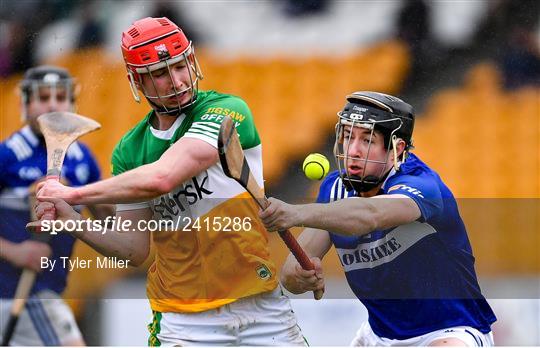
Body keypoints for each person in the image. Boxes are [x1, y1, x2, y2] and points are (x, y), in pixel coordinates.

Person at [35, 17, 306, 346]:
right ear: (138, 81)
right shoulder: (130, 150)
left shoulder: (225, 110)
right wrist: (71, 221)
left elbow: (164, 177)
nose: (176, 81)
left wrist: (71, 193)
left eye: (180, 66)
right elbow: (133, 250)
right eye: (160, 74)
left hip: (262, 309)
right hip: (184, 322)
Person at [259, 91, 497, 346]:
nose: (353, 150)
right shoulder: (335, 190)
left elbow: (370, 215)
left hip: (450, 331)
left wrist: (295, 213)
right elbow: (290, 275)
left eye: (367, 140)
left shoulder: (423, 186)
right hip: (378, 337)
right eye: (348, 136)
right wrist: (300, 276)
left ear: (397, 149)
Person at [0, 65, 111, 346]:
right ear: (25, 104)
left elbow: (108, 222)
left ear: (72, 103)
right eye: (43, 97)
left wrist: (79, 196)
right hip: (19, 294)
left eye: (60, 97)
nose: (52, 104)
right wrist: (14, 252)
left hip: (48, 290)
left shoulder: (82, 159)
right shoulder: (8, 155)